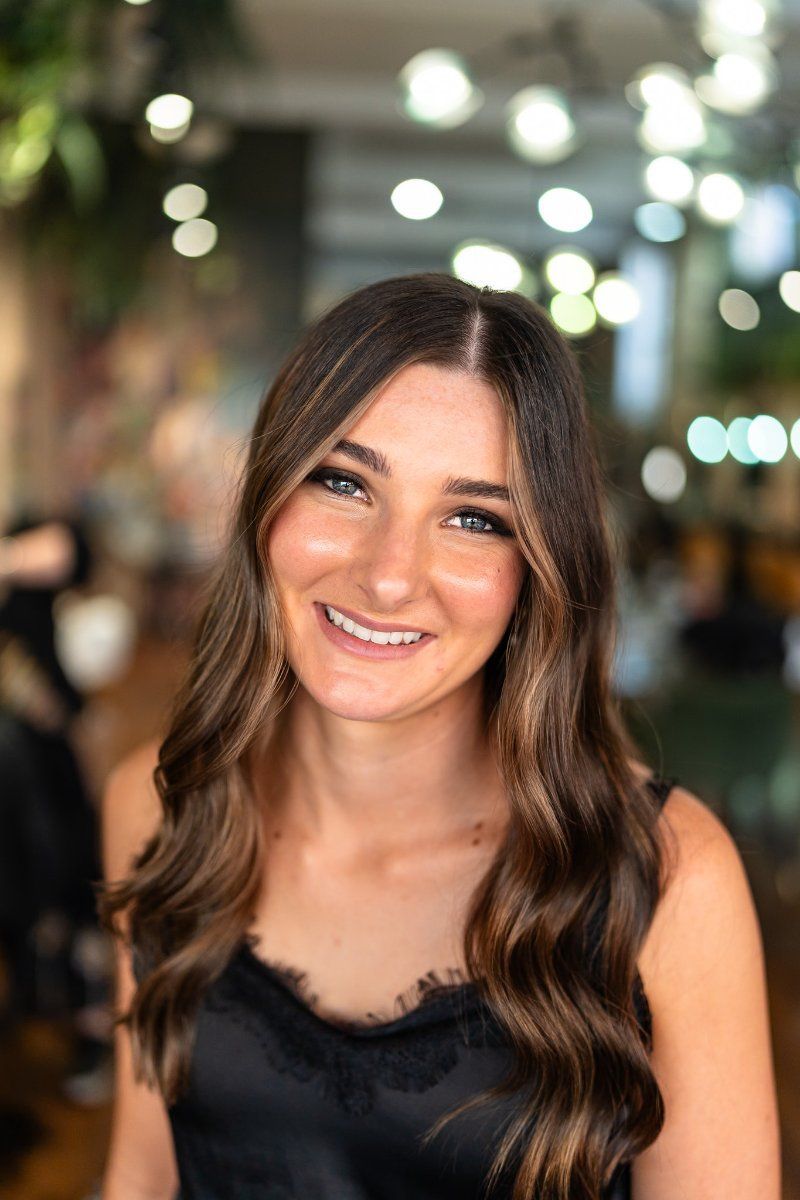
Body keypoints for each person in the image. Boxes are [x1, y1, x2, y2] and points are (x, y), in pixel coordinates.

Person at [98, 274, 780, 1200]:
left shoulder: (663, 878)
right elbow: (142, 1175)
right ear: (267, 497)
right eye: (344, 482)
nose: (389, 576)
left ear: (539, 567)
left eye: (472, 519)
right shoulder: (159, 803)